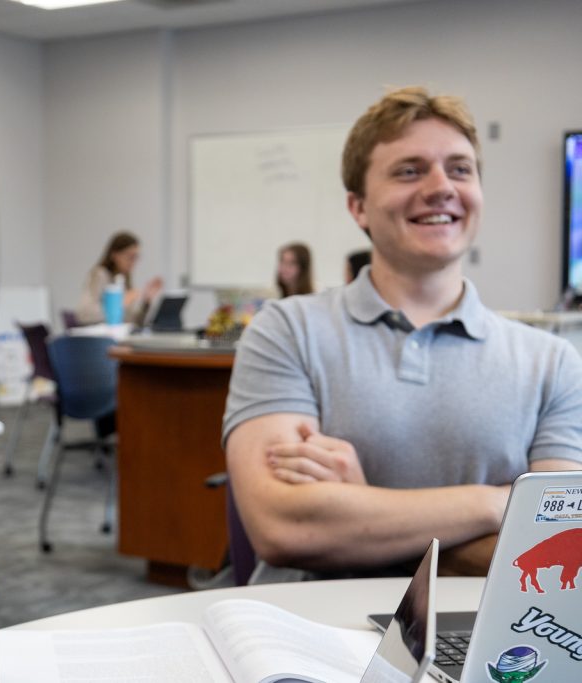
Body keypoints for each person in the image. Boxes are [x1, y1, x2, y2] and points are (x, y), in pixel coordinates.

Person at [222, 86, 582, 584]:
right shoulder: (285, 330)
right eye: (409, 170)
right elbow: (284, 527)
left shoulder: (554, 363)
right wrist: (498, 503)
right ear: (359, 207)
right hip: (305, 638)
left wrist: (360, 509)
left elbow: (558, 551)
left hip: (484, 648)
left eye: (460, 168)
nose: (441, 187)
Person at [74, 231, 163, 325]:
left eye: (136, 257)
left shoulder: (123, 280)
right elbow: (84, 314)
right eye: (130, 256)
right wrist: (119, 303)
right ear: (114, 255)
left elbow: (133, 321)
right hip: (100, 337)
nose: (133, 262)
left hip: (118, 336)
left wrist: (146, 301)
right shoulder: (100, 274)